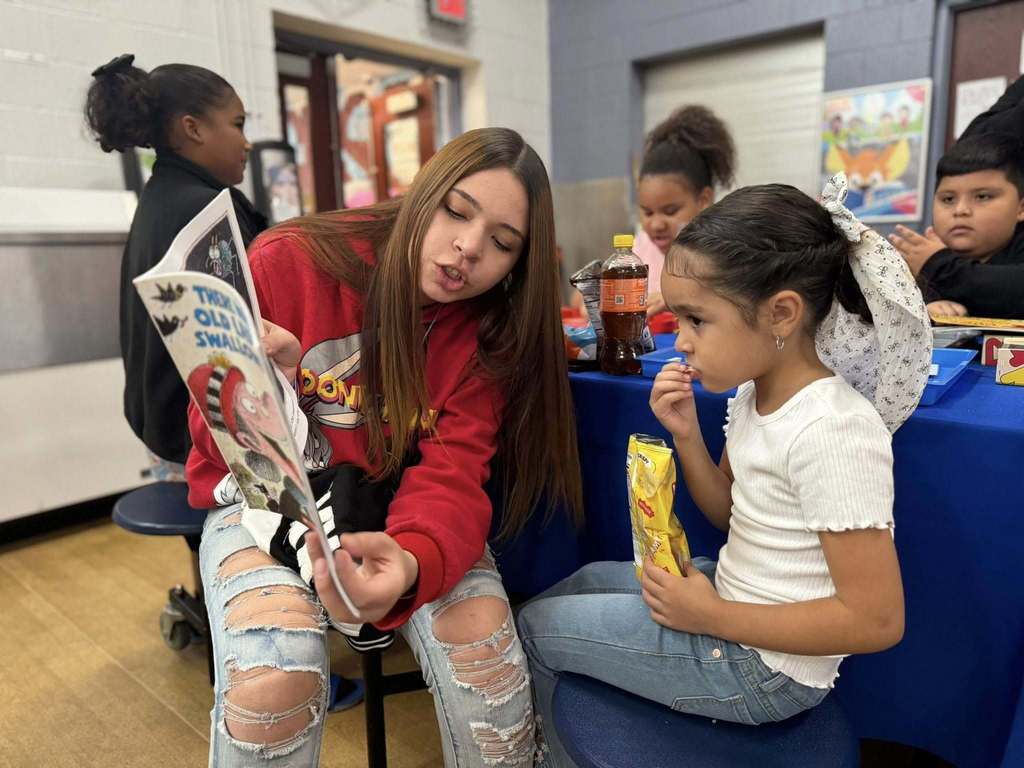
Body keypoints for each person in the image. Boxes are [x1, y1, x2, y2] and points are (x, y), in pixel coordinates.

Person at [187, 127, 583, 766]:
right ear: (422, 194)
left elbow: (454, 474)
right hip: (267, 495)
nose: (468, 248)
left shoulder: (488, 330)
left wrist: (412, 564)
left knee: (491, 672)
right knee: (272, 682)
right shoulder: (289, 261)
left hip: (400, 503)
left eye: (503, 244)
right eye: (456, 211)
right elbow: (218, 438)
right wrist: (276, 385)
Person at [517, 175, 932, 767]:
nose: (680, 342)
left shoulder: (834, 430)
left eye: (696, 321)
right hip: (735, 606)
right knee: (580, 583)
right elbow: (728, 511)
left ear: (781, 314)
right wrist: (686, 432)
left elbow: (877, 619)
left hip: (761, 669)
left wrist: (711, 615)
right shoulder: (753, 394)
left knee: (531, 627)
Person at [85, 54, 267, 480]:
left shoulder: (159, 196)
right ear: (194, 128)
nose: (247, 142)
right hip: (198, 443)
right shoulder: (204, 210)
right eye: (238, 124)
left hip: (160, 431)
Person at [889, 132, 1024, 319]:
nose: (960, 210)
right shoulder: (912, 261)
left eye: (982, 196)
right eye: (948, 199)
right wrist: (925, 312)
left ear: (1021, 208)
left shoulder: (933, 262)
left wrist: (939, 266)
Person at [634, 105, 736, 320]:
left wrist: (671, 300)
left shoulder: (724, 249)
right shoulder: (641, 246)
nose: (656, 224)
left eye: (670, 211)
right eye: (647, 212)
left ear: (704, 200)